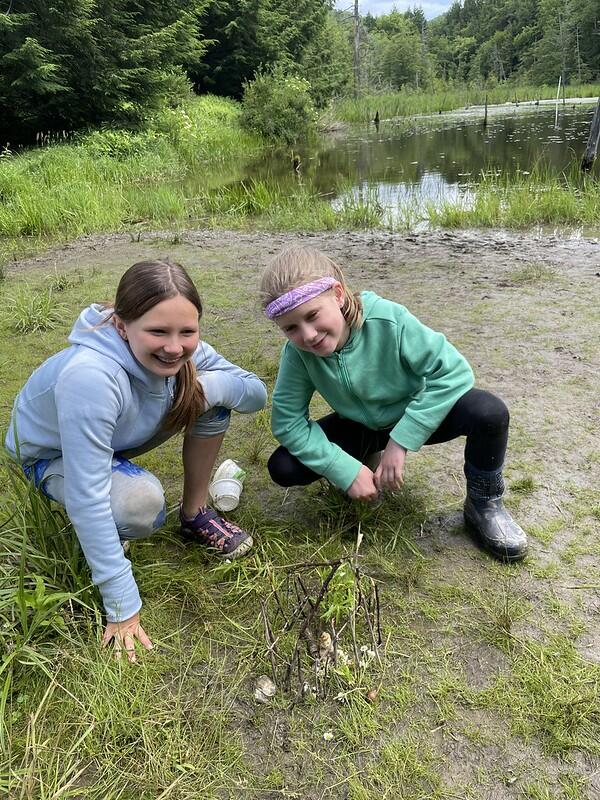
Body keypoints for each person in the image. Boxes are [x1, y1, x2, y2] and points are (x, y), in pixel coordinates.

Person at [5, 259, 267, 660]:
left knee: (213, 402)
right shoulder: (91, 377)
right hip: (50, 455)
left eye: (187, 331)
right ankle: (110, 533)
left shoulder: (183, 354)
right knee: (140, 504)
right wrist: (122, 603)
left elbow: (255, 393)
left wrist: (204, 386)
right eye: (157, 331)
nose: (174, 347)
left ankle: (196, 513)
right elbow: (88, 495)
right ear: (122, 325)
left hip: (113, 440)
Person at [259, 245, 527, 562]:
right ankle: (365, 462)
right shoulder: (298, 354)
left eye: (312, 316)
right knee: (283, 466)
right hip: (358, 424)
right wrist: (343, 470)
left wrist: (400, 440)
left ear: (338, 294)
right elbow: (287, 422)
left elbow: (453, 372)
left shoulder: (388, 319)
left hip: (411, 412)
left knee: (489, 413)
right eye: (291, 328)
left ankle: (484, 503)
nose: (308, 335)